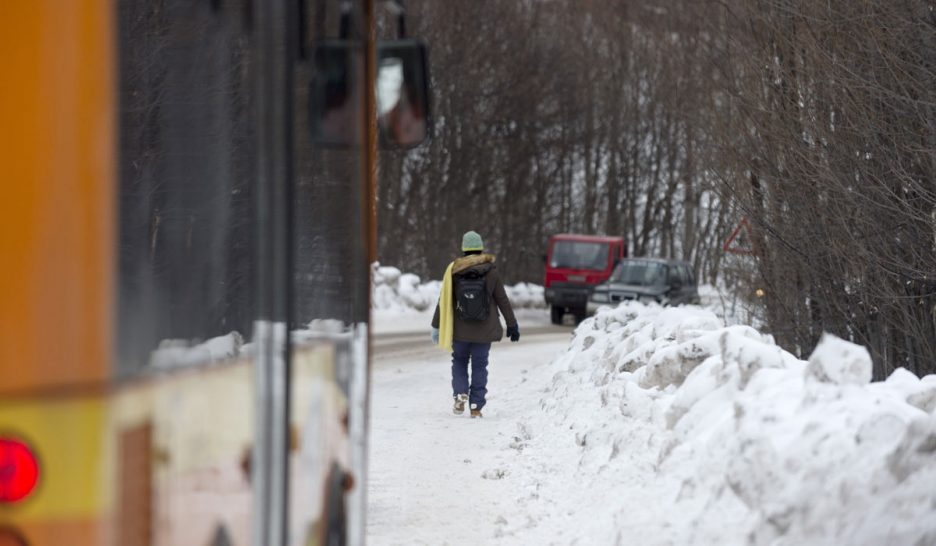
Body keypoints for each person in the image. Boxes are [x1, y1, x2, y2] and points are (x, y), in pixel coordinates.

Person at [431, 231, 519, 418]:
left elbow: (443, 300)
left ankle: (461, 392)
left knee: (460, 361)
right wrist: (512, 324)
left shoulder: (453, 271)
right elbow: (502, 300)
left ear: (464, 249)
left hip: (460, 330)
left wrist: (436, 325)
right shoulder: (491, 271)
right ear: (480, 248)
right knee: (480, 365)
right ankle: (476, 406)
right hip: (484, 331)